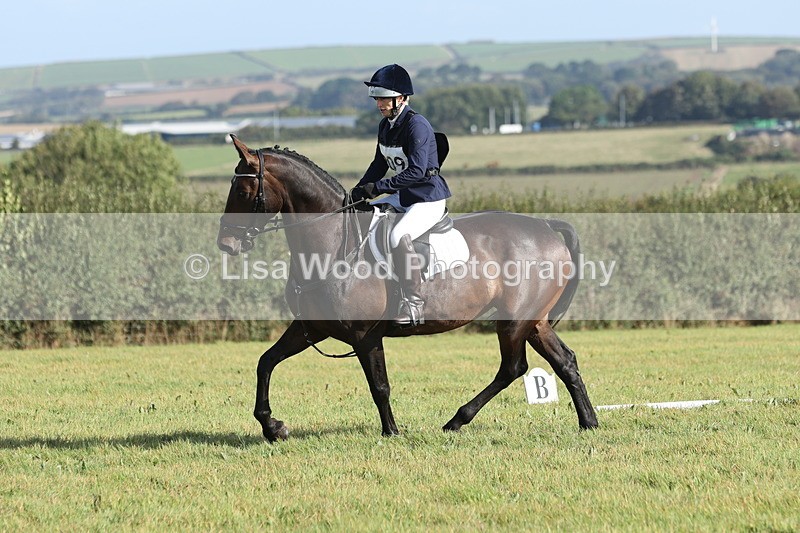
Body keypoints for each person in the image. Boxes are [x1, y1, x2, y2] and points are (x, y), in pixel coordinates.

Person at [350, 63, 451, 328]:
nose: (380, 104)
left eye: (385, 99)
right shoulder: (386, 126)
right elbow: (378, 165)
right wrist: (360, 190)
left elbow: (418, 171)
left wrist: (380, 188)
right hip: (401, 196)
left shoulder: (416, 125)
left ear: (402, 98)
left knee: (397, 235)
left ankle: (414, 303)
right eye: (377, 99)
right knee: (365, 219)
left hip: (426, 197)